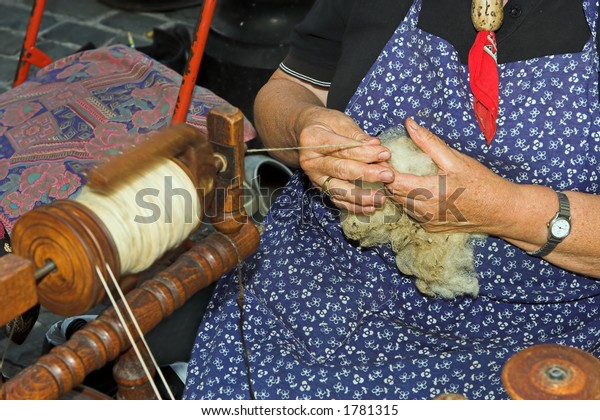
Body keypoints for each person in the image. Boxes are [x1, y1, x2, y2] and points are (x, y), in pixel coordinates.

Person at [183, 0, 600, 400]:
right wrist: (302, 127)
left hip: (519, 332)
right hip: (313, 278)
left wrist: (508, 211)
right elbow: (290, 88)